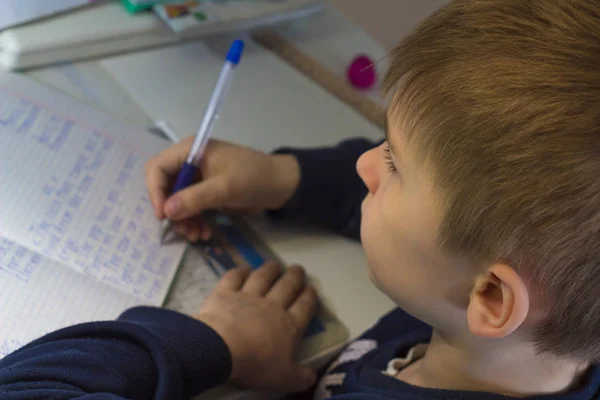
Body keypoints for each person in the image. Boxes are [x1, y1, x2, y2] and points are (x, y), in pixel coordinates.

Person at [2, 0, 600, 398]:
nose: (366, 161)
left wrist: (215, 345)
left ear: (492, 295)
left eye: (393, 165)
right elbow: (463, 206)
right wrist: (281, 176)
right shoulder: (548, 313)